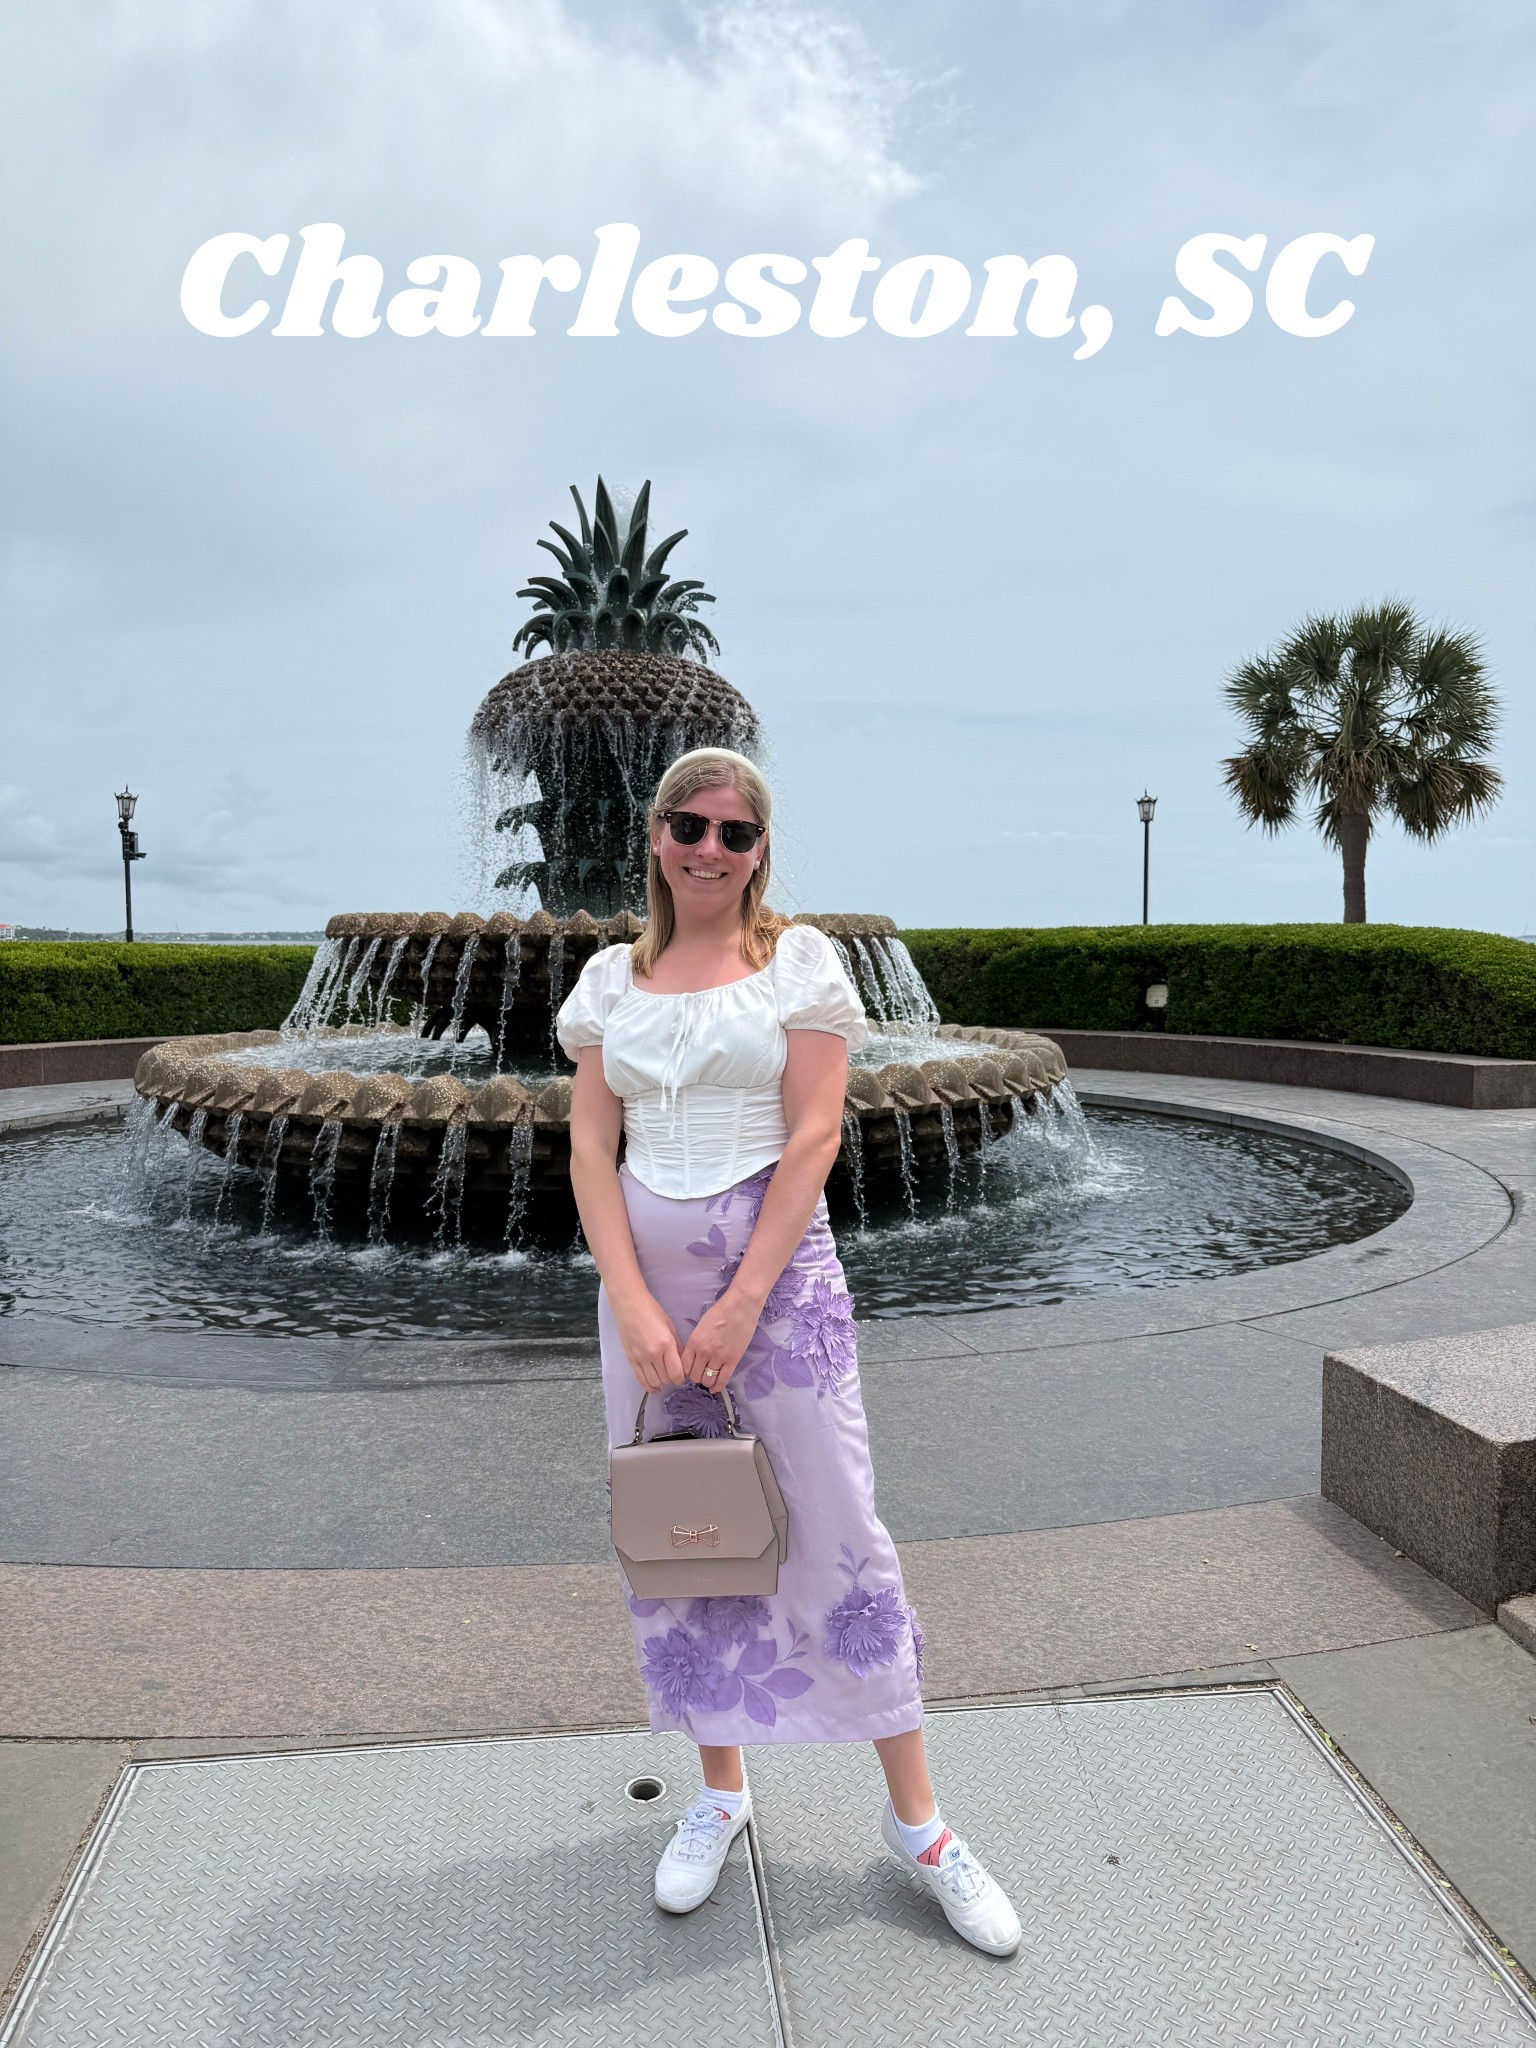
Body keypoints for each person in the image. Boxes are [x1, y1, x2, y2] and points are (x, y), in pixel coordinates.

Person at [556, 746, 1021, 1958]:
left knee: (841, 1524)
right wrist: (636, 1303)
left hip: (778, 1284)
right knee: (688, 1527)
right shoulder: (610, 979)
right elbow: (588, 1154)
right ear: (654, 836)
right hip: (647, 1300)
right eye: (688, 825)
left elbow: (815, 1133)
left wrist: (739, 1302)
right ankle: (721, 1791)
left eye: (736, 831)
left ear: (763, 849)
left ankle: (918, 1823)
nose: (710, 848)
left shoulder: (798, 962)